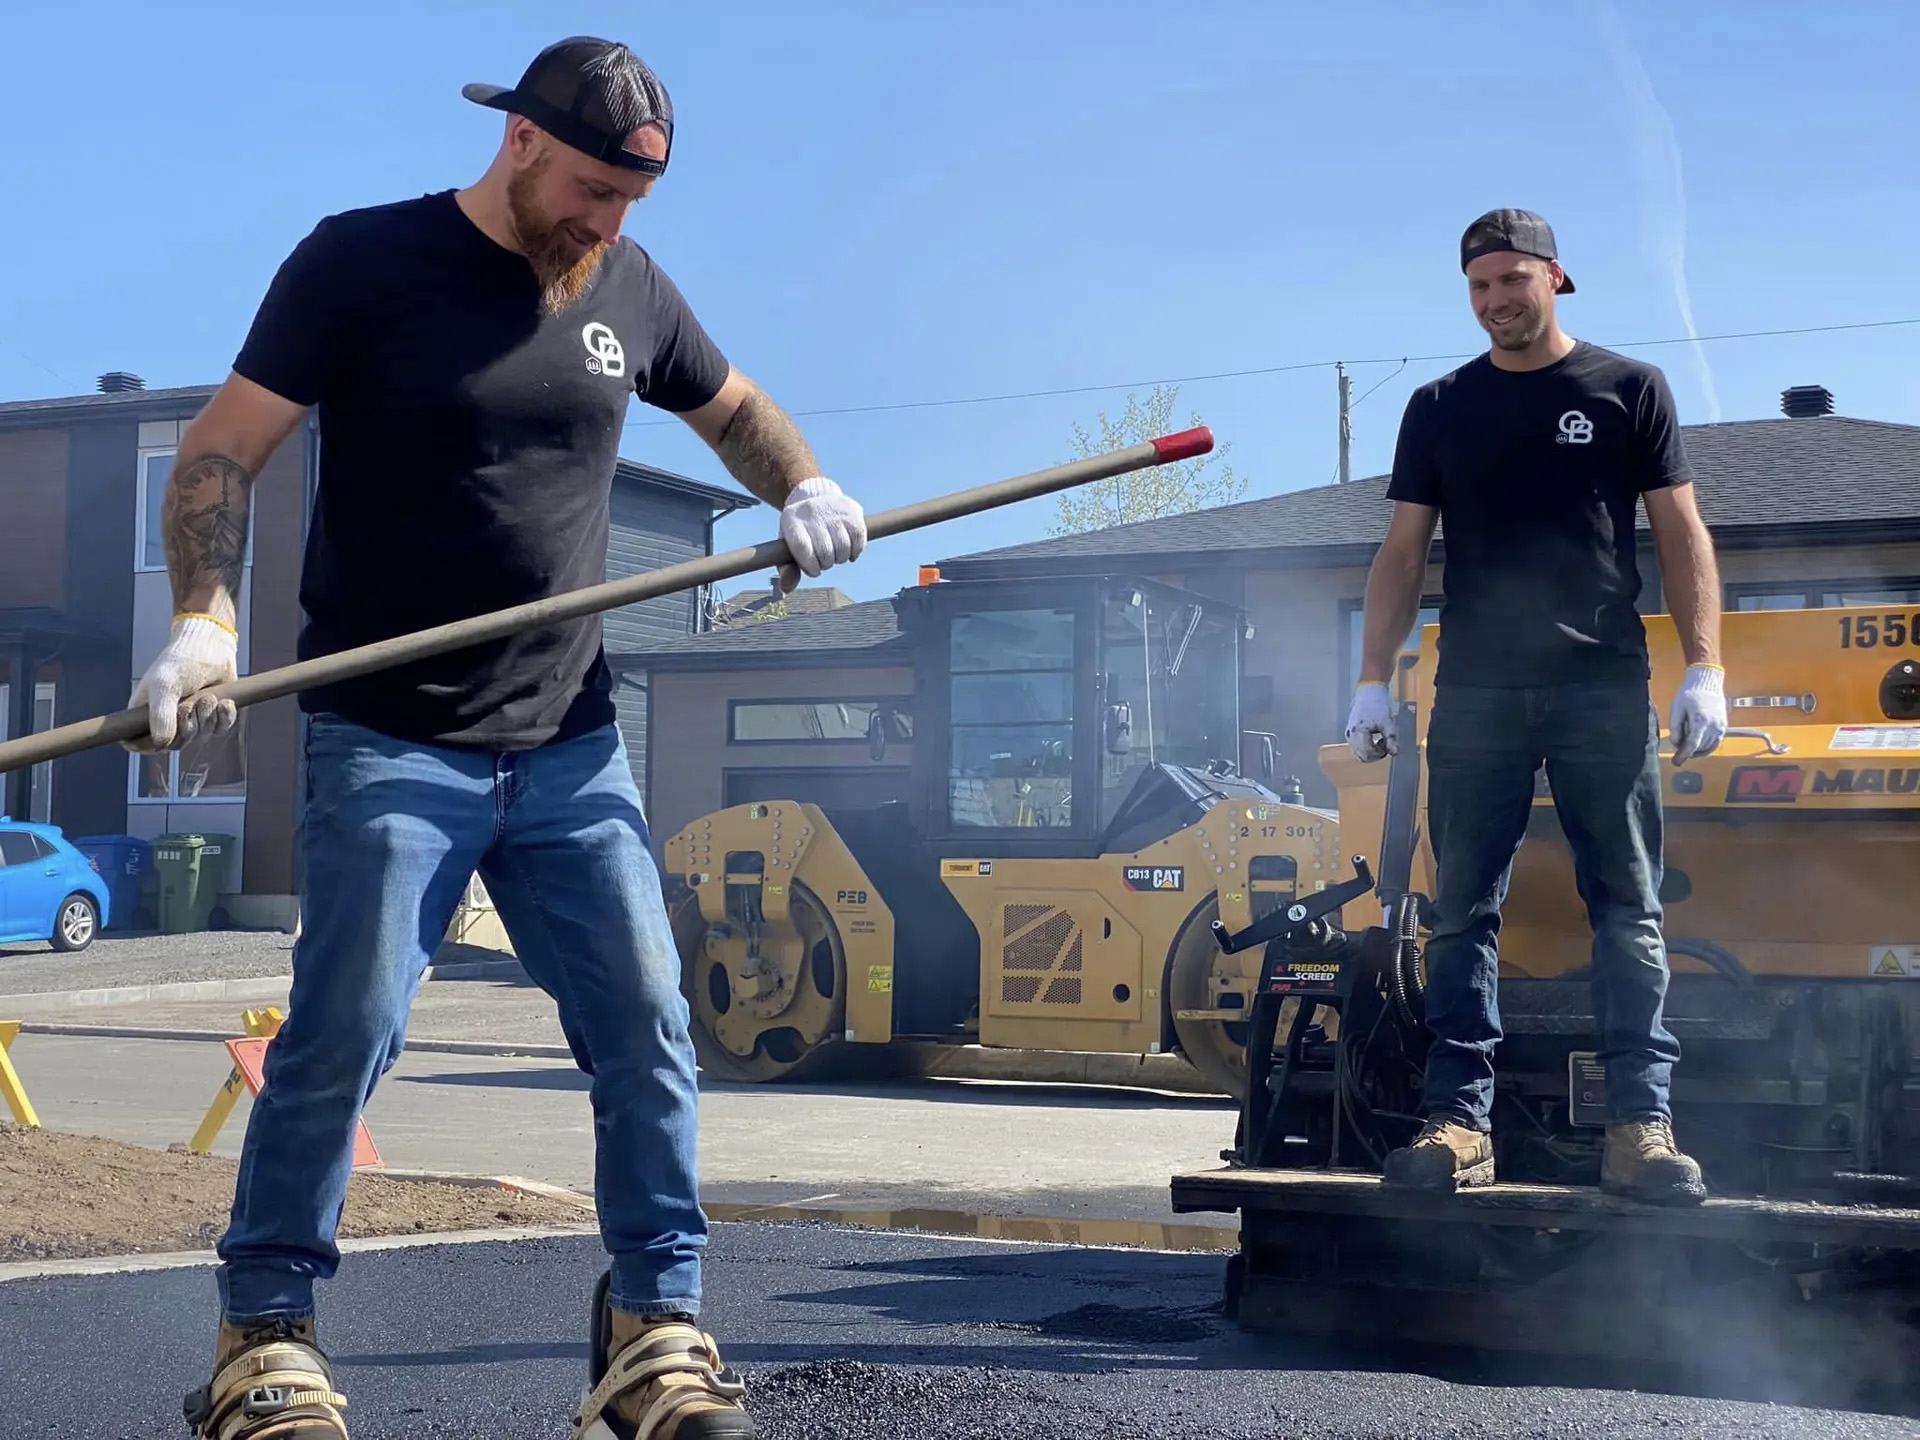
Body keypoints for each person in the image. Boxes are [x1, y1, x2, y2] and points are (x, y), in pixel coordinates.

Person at [129, 36, 864, 1440]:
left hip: (572, 746)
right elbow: (223, 451)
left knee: (650, 1024)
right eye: (594, 189)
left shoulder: (628, 289)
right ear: (522, 142)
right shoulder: (357, 265)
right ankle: (262, 1342)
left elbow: (739, 407)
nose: (611, 224)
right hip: (389, 737)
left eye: (634, 200)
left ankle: (654, 1329)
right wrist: (207, 623)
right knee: (346, 1030)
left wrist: (805, 483)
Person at [1343, 209, 1726, 1208]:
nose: (1495, 302)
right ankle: (1457, 1124)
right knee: (1461, 910)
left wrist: (1706, 666)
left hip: (1603, 687)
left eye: (1511, 281)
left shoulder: (1626, 389)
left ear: (1556, 278)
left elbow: (1680, 530)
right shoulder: (1439, 406)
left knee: (1628, 909)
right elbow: (1400, 553)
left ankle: (1641, 1128)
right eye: (1478, 289)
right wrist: (1371, 677)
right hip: (1474, 691)